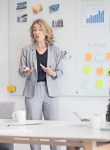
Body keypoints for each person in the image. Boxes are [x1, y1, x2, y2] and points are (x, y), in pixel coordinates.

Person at [18, 19, 63, 150]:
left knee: (53, 129)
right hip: (33, 91)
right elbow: (21, 71)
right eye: (34, 30)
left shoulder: (56, 50)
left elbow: (60, 72)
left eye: (40, 29)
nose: (37, 33)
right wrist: (25, 71)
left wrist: (51, 72)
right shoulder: (26, 50)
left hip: (51, 92)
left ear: (46, 31)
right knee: (33, 128)